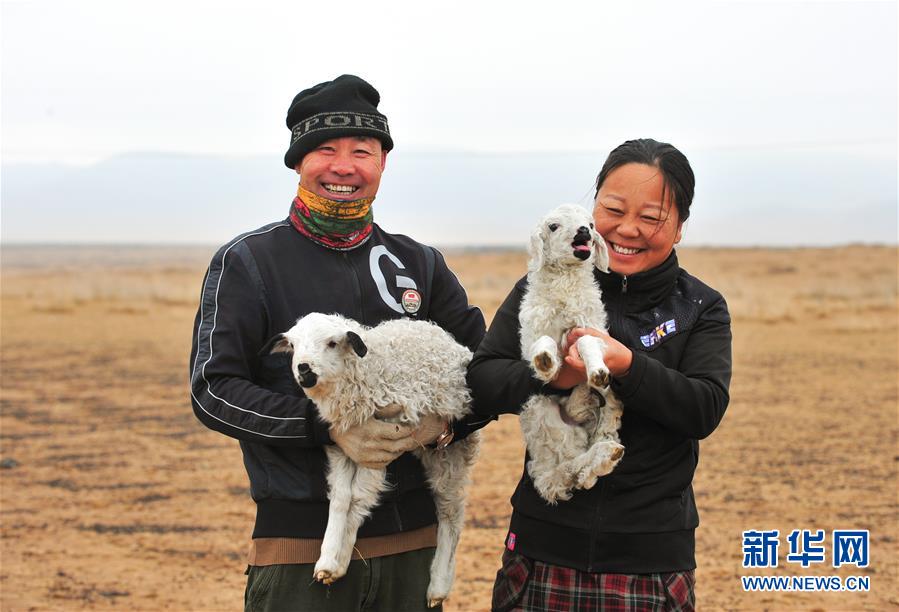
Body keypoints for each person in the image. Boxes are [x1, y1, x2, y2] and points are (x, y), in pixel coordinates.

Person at [189, 74, 490, 611]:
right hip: (299, 548)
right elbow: (213, 390)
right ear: (299, 162)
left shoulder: (419, 262)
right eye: (325, 150)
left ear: (382, 162)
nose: (343, 166)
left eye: (362, 150)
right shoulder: (249, 262)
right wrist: (325, 427)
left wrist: (443, 427)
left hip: (414, 550)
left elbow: (489, 370)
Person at [467, 139, 732, 611]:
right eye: (612, 209)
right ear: (592, 210)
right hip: (542, 549)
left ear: (679, 228)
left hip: (649, 559)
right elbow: (484, 380)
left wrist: (625, 365)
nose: (627, 229)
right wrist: (553, 379)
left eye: (651, 218)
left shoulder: (699, 306)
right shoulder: (541, 287)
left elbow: (704, 408)